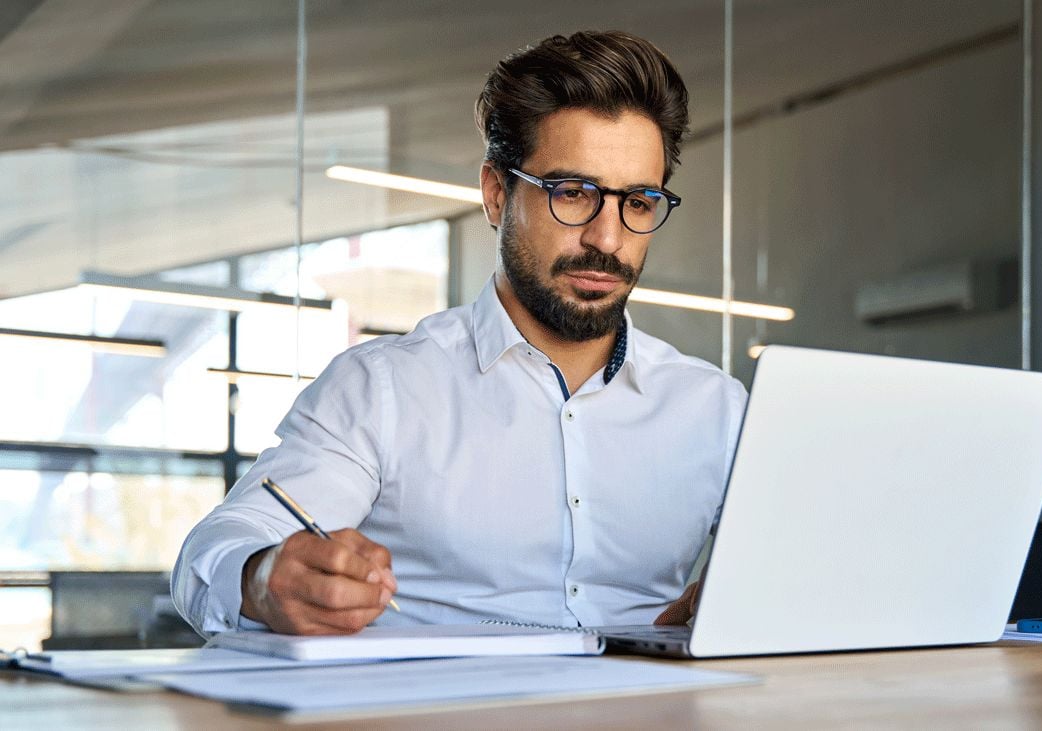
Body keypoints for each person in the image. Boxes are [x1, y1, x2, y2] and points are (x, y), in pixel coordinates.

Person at [172, 30, 746, 637]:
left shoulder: (714, 408)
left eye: (638, 201)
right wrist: (262, 579)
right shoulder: (383, 390)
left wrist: (751, 593)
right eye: (572, 194)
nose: (607, 239)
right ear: (497, 194)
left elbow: (818, 559)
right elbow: (218, 547)